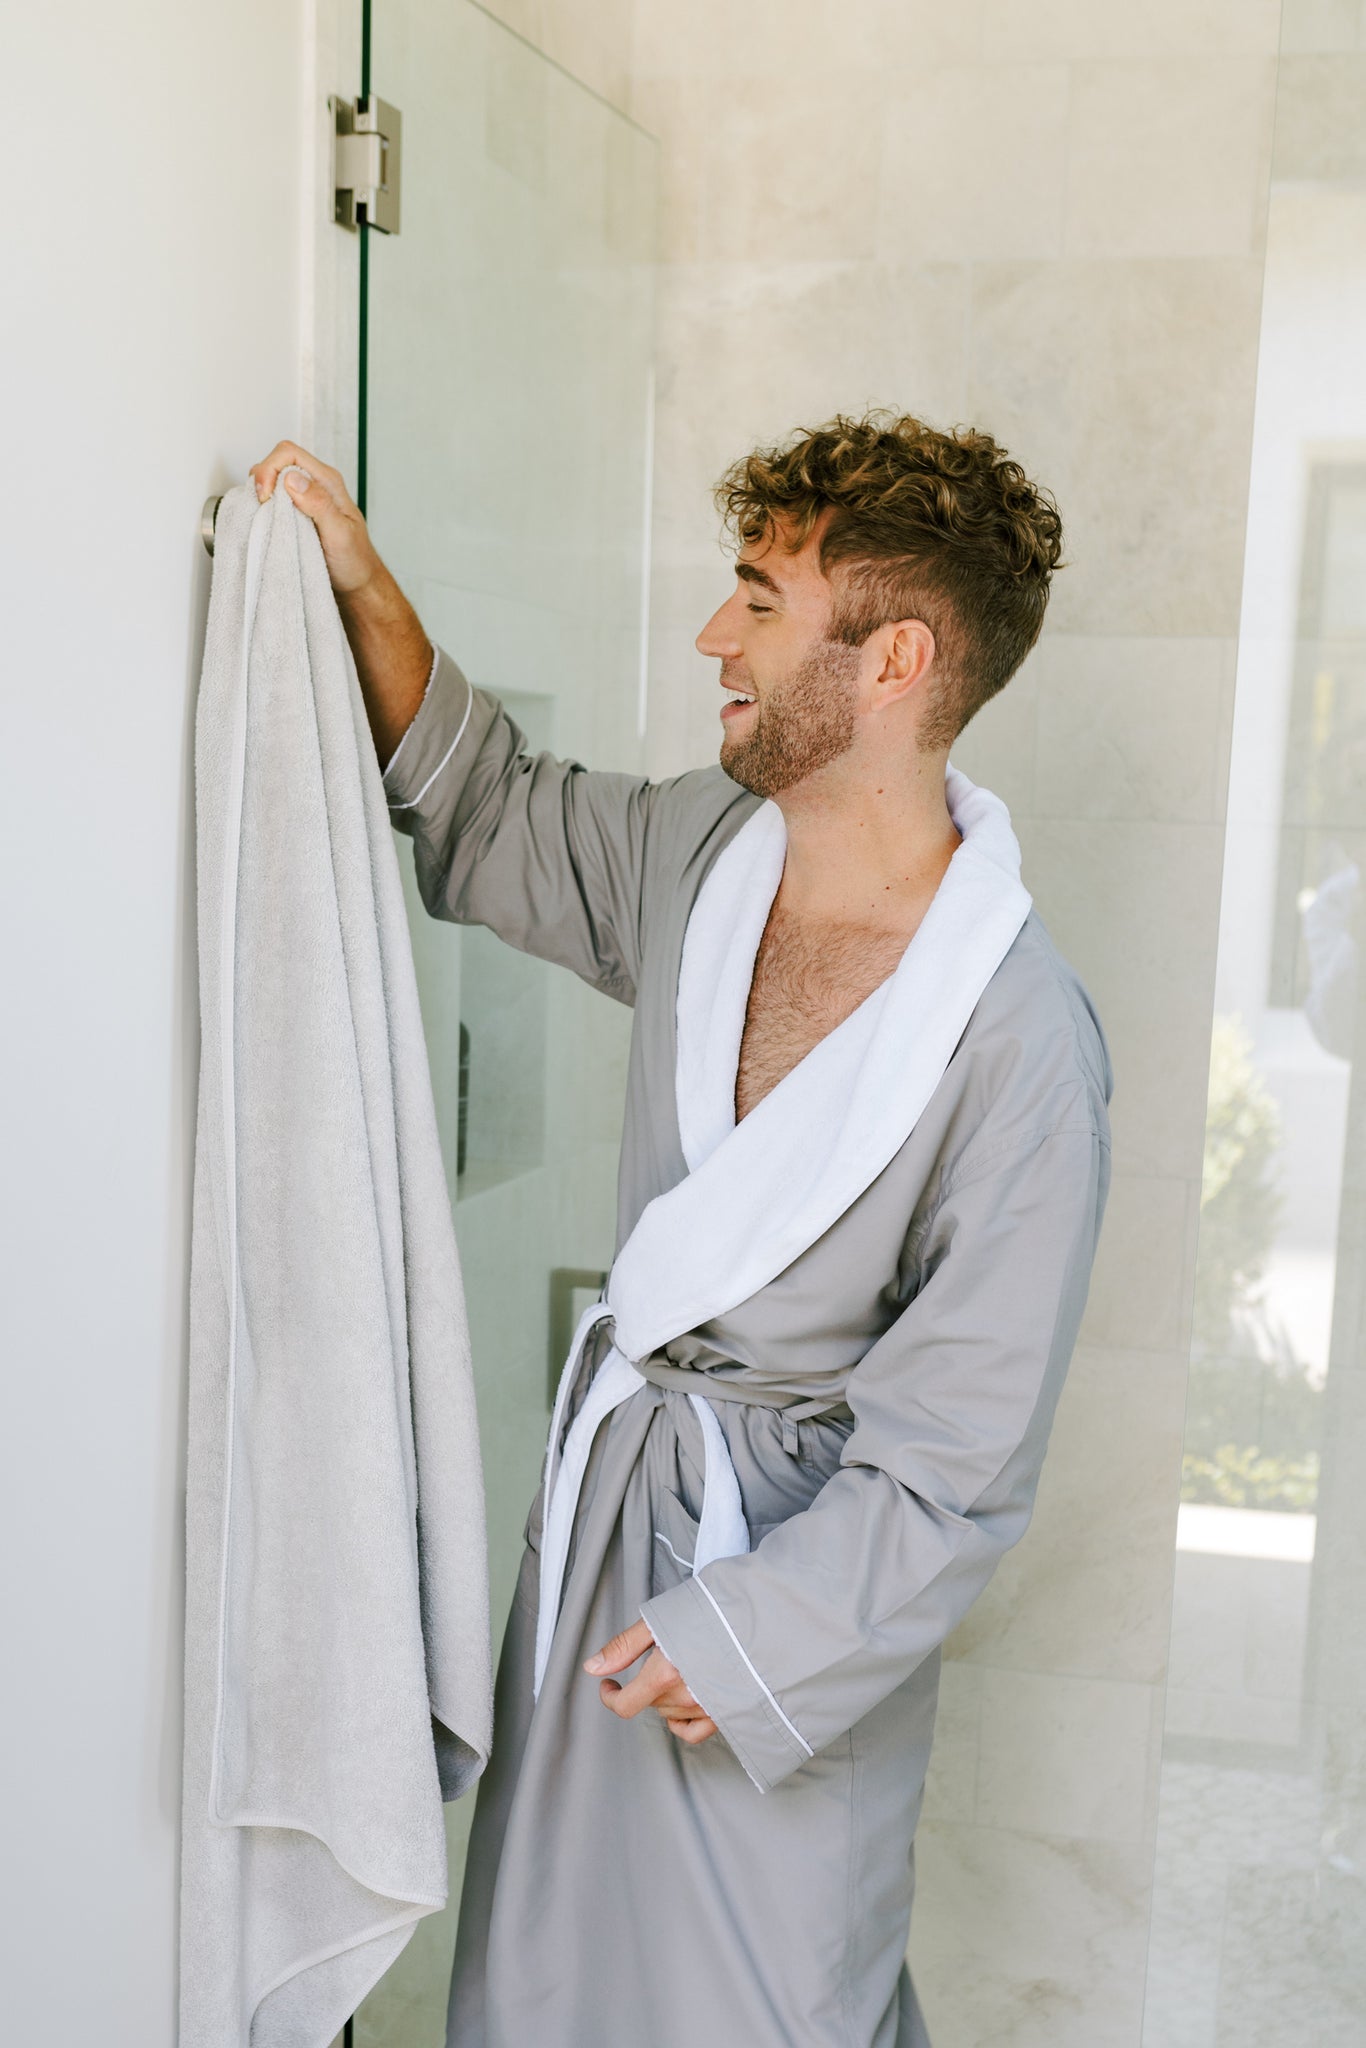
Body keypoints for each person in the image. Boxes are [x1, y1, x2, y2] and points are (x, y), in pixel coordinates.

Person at [250, 413, 1112, 2048]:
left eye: (760, 602)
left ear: (893, 660)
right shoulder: (702, 856)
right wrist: (354, 579)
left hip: (778, 1614)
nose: (715, 636)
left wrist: (755, 1634)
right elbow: (492, 809)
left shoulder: (1017, 1044)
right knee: (541, 1988)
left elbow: (958, 1458)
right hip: (598, 1547)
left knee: (768, 2002)